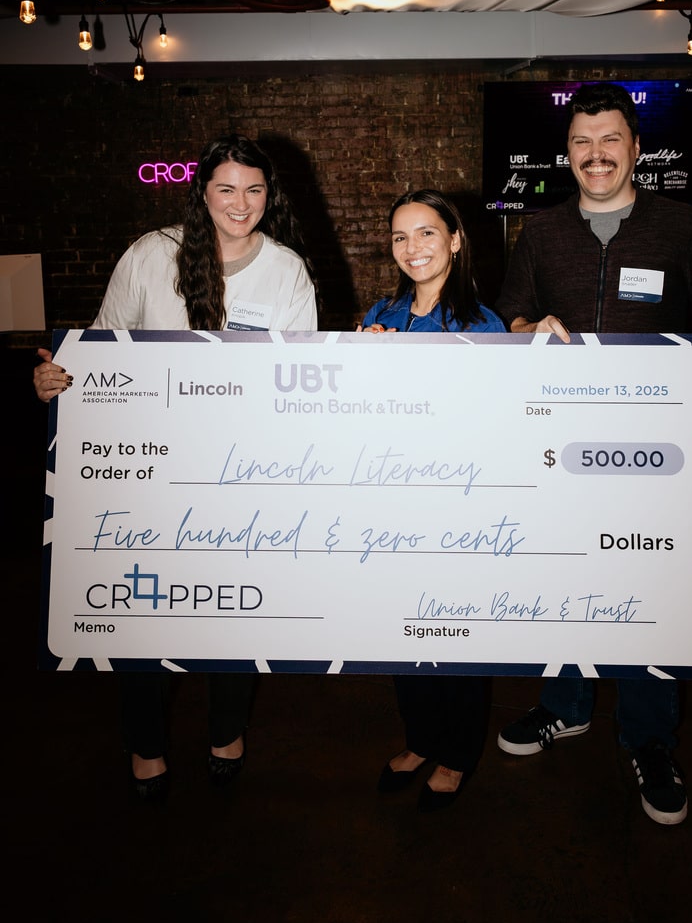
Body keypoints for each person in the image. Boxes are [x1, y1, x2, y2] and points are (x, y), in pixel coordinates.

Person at [34, 134, 317, 801]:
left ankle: (225, 730)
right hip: (146, 474)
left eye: (254, 189)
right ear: (202, 192)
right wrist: (54, 379)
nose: (241, 203)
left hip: (240, 474)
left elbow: (303, 380)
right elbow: (99, 351)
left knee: (231, 610)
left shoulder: (286, 271)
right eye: (226, 188)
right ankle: (146, 741)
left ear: (268, 195)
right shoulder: (151, 254)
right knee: (141, 606)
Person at [495, 82, 692, 825]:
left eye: (610, 140)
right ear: (566, 154)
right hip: (559, 448)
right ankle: (565, 704)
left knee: (648, 592)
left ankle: (648, 738)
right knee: (563, 574)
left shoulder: (684, 228)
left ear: (636, 148)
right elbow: (509, 323)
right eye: (581, 142)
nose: (596, 155)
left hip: (654, 454)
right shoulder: (536, 233)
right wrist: (527, 327)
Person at [360, 188, 505, 811]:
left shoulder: (483, 324)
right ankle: (420, 738)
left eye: (425, 233)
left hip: (457, 506)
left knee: (455, 634)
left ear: (455, 239)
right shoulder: (380, 313)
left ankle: (457, 752)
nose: (412, 247)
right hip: (392, 503)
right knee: (401, 629)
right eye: (399, 236)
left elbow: (499, 424)